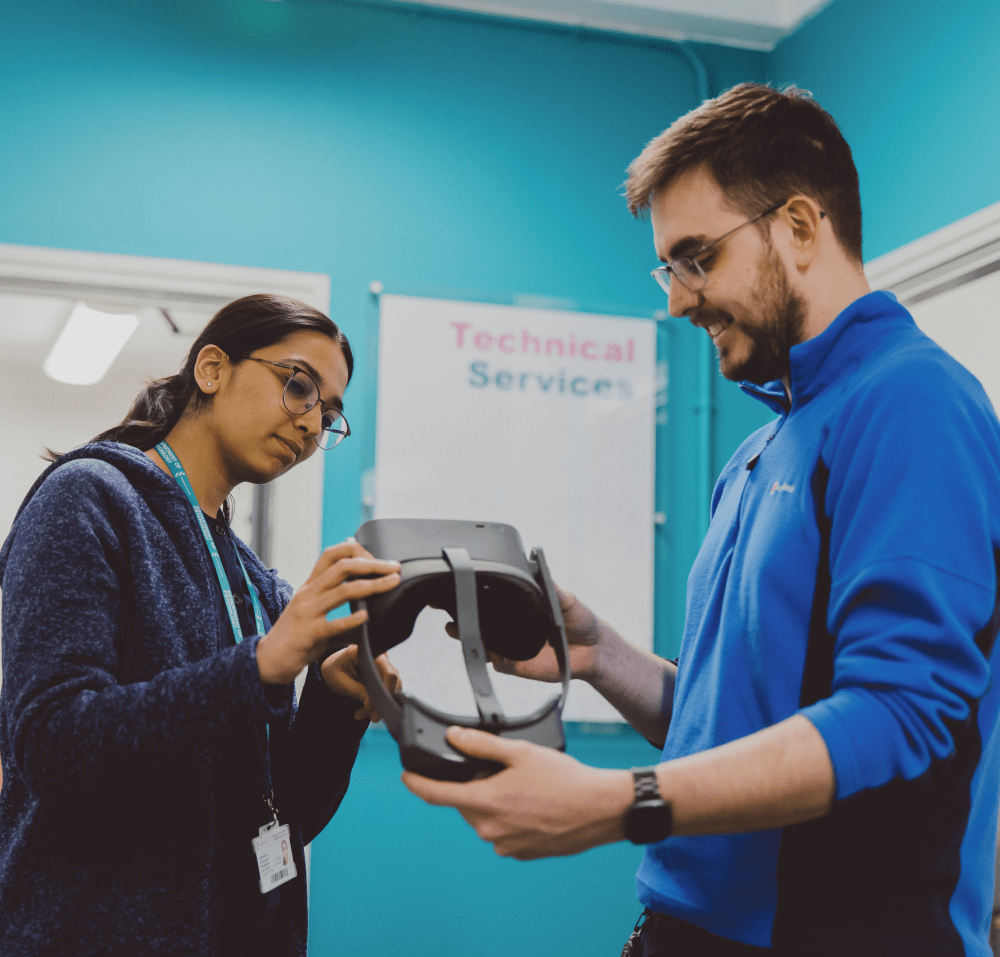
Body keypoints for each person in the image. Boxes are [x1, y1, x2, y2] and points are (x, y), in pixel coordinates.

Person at [403, 84, 1000, 956]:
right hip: (688, 930)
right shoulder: (762, 449)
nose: (679, 301)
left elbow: (901, 713)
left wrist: (619, 801)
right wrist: (601, 653)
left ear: (799, 226)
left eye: (697, 258)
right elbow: (738, 726)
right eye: (669, 268)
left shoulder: (913, 403)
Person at [0, 294, 402, 957]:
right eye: (299, 386)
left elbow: (284, 815)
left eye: (328, 414)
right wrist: (258, 666)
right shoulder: (87, 497)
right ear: (212, 369)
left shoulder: (254, 580)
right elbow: (52, 744)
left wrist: (335, 701)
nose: (310, 424)